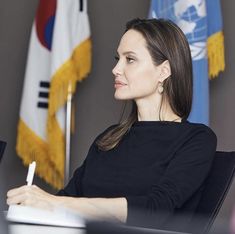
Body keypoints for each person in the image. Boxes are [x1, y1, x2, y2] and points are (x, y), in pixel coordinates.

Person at [7, 18, 217, 231]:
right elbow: (68, 198)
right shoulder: (109, 138)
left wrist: (55, 202)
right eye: (118, 58)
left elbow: (155, 209)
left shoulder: (197, 139)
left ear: (163, 71)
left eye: (130, 59)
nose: (116, 69)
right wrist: (32, 203)